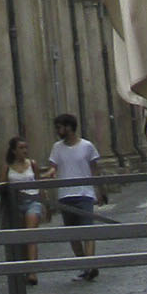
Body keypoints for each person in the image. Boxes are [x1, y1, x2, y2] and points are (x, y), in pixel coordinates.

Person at [48, 112, 102, 278]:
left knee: (88, 231)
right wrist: (48, 174)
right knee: (72, 235)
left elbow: (95, 170)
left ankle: (90, 265)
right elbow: (53, 166)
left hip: (85, 193)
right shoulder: (57, 147)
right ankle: (83, 264)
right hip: (65, 195)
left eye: (59, 127)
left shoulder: (87, 146)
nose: (58, 131)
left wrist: (100, 191)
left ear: (69, 127)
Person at [0, 134, 43, 265]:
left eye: (26, 147)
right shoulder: (7, 167)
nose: (25, 150)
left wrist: (45, 204)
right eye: (21, 148)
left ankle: (32, 271)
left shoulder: (33, 164)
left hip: (32, 202)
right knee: (21, 238)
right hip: (15, 204)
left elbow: (39, 184)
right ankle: (24, 265)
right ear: (14, 150)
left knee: (31, 235)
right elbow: (2, 187)